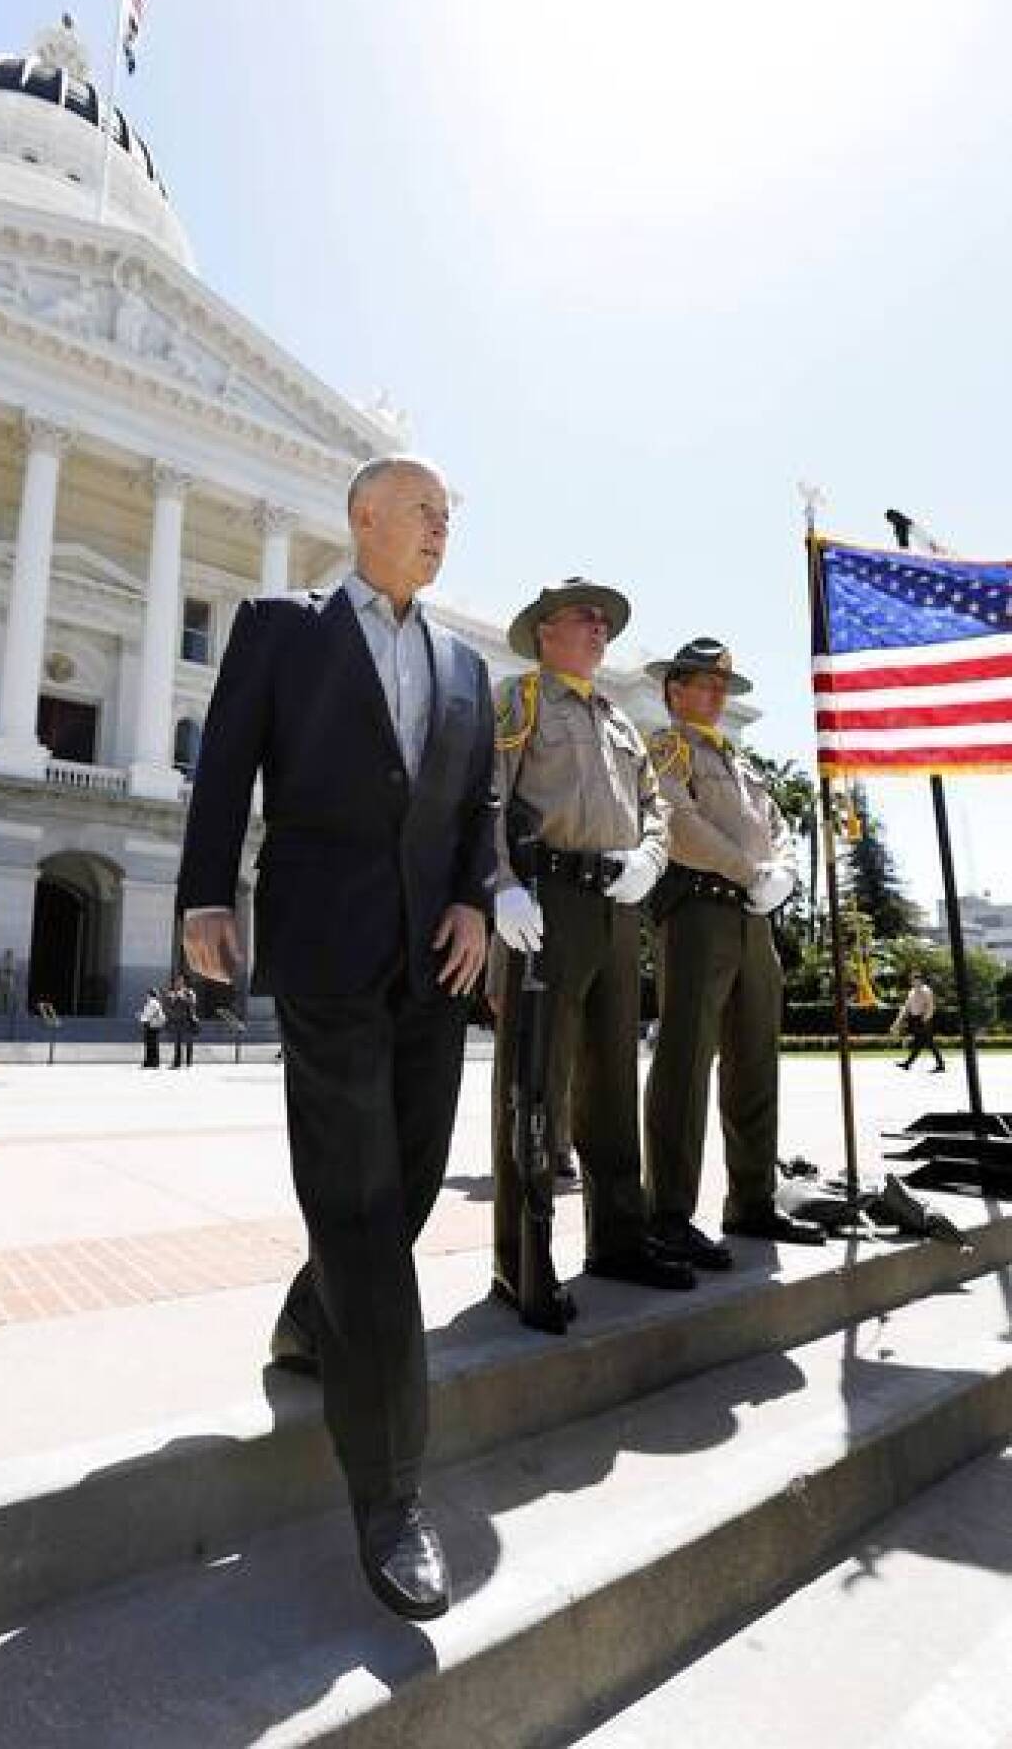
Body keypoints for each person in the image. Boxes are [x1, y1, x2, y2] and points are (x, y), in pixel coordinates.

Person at [177, 454, 496, 1622]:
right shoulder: (282, 626)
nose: (439, 529)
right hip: (323, 945)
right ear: (364, 517)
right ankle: (392, 1492)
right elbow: (226, 765)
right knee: (361, 1206)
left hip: (435, 960)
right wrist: (205, 888)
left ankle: (312, 1317)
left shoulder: (461, 662)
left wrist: (476, 895)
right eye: (424, 509)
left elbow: (479, 808)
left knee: (403, 1189)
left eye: (449, 516)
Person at [489, 576, 692, 1323]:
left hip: (615, 903)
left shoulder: (619, 723)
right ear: (546, 630)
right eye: (584, 617)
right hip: (547, 901)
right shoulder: (523, 700)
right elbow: (487, 795)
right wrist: (500, 884)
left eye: (605, 621)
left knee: (611, 1078)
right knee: (534, 1080)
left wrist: (649, 855)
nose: (600, 628)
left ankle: (618, 1236)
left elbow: (657, 809)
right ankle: (521, 1259)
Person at [642, 637, 825, 1264]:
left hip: (751, 919)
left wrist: (784, 874)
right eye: (705, 684)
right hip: (697, 910)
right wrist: (752, 871)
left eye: (724, 687)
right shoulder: (667, 750)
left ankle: (751, 1201)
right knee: (685, 1061)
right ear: (675, 691)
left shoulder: (740, 762)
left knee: (755, 1059)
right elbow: (679, 824)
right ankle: (668, 1212)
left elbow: (778, 826)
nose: (718, 695)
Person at [894, 976, 946, 1072]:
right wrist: (898, 1021)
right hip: (914, 1019)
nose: (913, 982)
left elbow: (931, 1006)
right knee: (921, 1042)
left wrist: (925, 1019)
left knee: (927, 1042)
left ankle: (940, 1064)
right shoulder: (912, 992)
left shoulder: (926, 991)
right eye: (913, 980)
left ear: (921, 981)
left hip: (924, 1019)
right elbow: (906, 1007)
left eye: (916, 980)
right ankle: (908, 1063)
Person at [164, 973, 200, 1068]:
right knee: (177, 1042)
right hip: (177, 1020)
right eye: (177, 980)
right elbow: (168, 1006)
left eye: (180, 980)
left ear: (184, 981)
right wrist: (172, 998)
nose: (178, 982)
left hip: (187, 1020)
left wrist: (183, 997)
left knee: (189, 1041)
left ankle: (189, 1061)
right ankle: (177, 1062)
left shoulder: (189, 992)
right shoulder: (173, 992)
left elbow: (193, 1004)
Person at [138, 987, 165, 1068]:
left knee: (150, 1044)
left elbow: (148, 1015)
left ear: (149, 994)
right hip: (156, 1025)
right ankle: (153, 1061)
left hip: (150, 1025)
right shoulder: (157, 1002)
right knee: (154, 1044)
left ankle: (151, 1062)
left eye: (147, 994)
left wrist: (141, 1017)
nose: (146, 996)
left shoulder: (151, 1003)